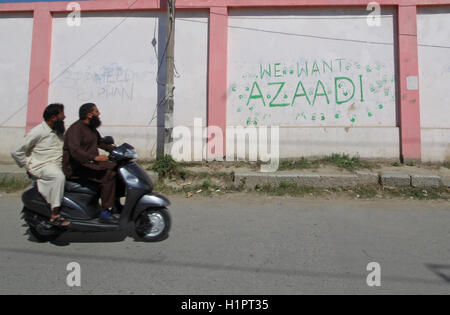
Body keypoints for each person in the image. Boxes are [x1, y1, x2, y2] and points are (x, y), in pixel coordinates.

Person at [11, 103, 70, 227]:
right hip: (42, 165)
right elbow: (16, 151)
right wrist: (27, 166)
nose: (64, 117)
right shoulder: (38, 132)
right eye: (62, 114)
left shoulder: (57, 131)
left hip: (56, 164)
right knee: (58, 177)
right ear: (54, 117)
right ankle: (55, 215)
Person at [63, 103, 118, 224]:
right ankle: (105, 212)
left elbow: (100, 142)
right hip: (76, 167)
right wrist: (94, 158)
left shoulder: (90, 128)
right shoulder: (75, 129)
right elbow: (75, 151)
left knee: (117, 168)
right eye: (96, 112)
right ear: (89, 115)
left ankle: (115, 203)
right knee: (108, 174)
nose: (99, 114)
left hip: (89, 164)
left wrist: (114, 149)